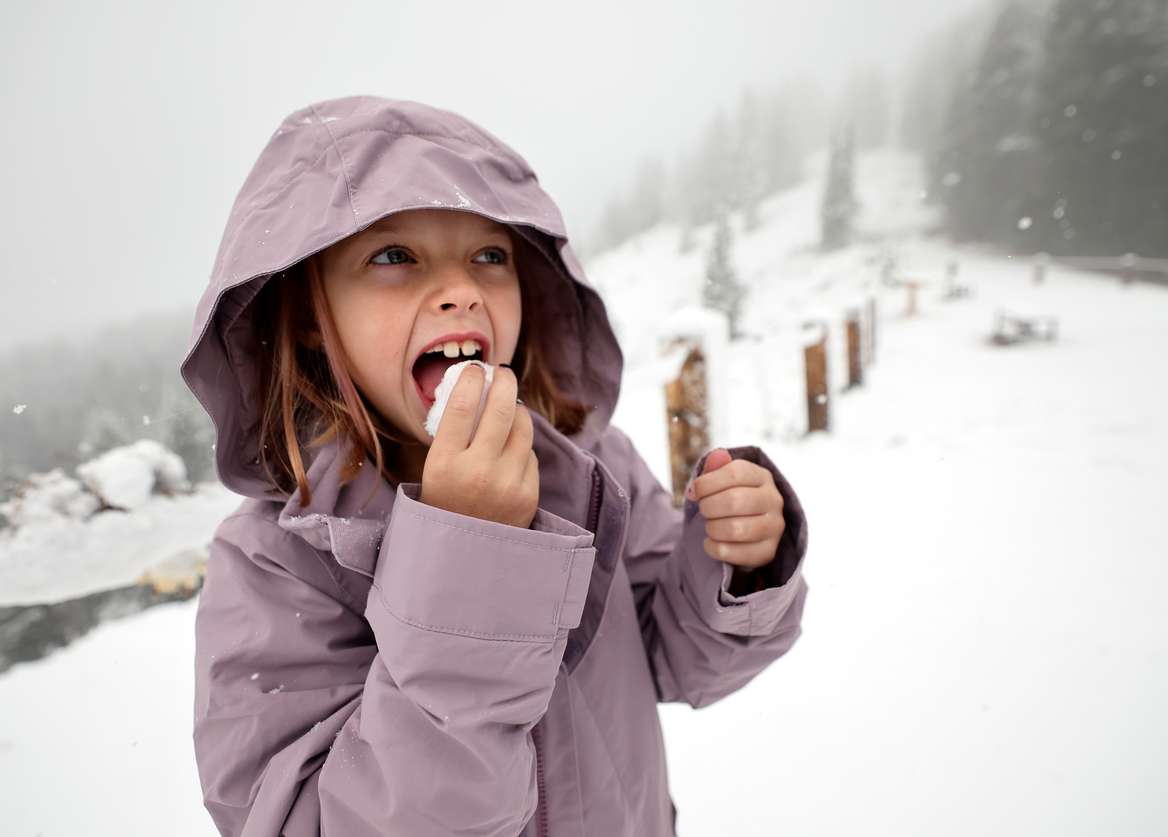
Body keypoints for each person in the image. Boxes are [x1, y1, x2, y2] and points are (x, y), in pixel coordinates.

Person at [184, 95, 810, 837]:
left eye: (491, 255)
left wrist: (736, 565)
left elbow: (678, 658)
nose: (463, 290)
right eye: (393, 256)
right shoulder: (275, 561)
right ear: (308, 321)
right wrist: (465, 560)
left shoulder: (592, 472)